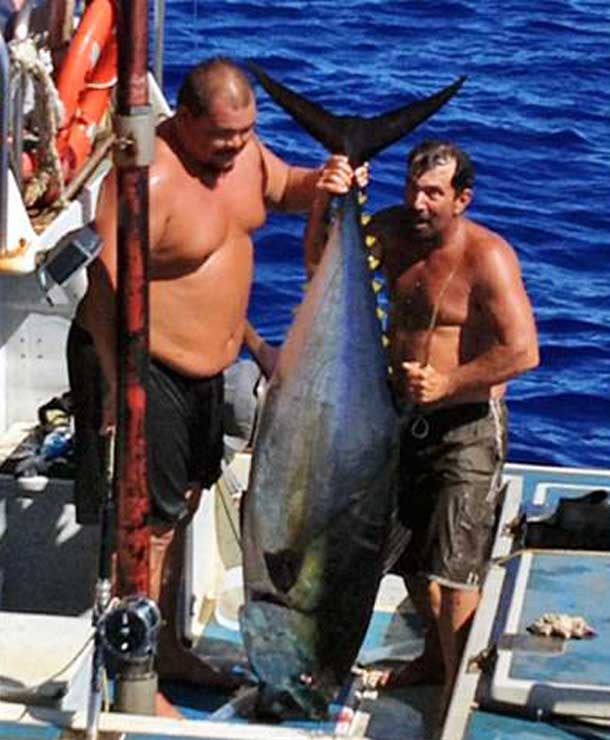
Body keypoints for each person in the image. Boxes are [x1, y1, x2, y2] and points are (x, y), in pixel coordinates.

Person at [67, 57, 363, 715]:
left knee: (188, 502)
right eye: (224, 136)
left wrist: (329, 180)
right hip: (149, 367)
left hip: (210, 370)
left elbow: (284, 185)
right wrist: (119, 387)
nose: (237, 147)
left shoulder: (243, 155)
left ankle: (167, 646)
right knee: (148, 525)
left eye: (246, 131)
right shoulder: (150, 178)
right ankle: (131, 678)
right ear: (186, 118)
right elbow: (102, 290)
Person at [306, 139, 539, 705]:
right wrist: (327, 201)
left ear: (462, 198)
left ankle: (457, 702)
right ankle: (434, 662)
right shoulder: (388, 231)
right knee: (408, 556)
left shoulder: (489, 258)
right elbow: (319, 265)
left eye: (433, 192)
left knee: (453, 576)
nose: (418, 202)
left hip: (466, 429)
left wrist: (448, 382)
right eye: (412, 188)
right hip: (398, 421)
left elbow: (524, 351)